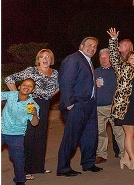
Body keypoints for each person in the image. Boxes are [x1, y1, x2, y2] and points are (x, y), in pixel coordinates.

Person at [5, 48, 59, 177]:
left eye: (48, 57)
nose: (45, 59)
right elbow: (9, 79)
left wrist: (50, 96)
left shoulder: (55, 73)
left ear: (51, 60)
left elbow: (60, 86)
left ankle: (38, 167)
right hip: (30, 104)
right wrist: (17, 96)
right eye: (42, 57)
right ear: (38, 59)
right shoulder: (31, 71)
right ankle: (23, 170)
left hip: (45, 106)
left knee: (40, 136)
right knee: (28, 136)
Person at [106, 29, 134, 172]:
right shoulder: (122, 68)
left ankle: (125, 158)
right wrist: (113, 40)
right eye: (130, 59)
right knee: (129, 133)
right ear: (127, 60)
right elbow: (113, 56)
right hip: (125, 106)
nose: (133, 61)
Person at [57, 36, 101, 177]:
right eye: (89, 45)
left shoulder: (88, 61)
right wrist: (69, 103)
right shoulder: (73, 59)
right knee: (71, 137)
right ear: (81, 46)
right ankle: (63, 168)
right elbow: (66, 82)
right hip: (77, 105)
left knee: (90, 136)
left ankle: (88, 163)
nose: (92, 48)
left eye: (95, 46)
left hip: (89, 104)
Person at [2, 79, 40, 185]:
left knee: (18, 157)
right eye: (24, 85)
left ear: (33, 90)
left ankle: (19, 181)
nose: (26, 87)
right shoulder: (11, 95)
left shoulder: (32, 105)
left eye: (30, 86)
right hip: (1, 129)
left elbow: (34, 123)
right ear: (19, 87)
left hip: (16, 134)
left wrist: (34, 114)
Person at [92, 48, 120, 165]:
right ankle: (101, 154)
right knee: (100, 132)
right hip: (98, 108)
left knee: (119, 132)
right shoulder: (95, 72)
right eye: (101, 57)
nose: (103, 60)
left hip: (113, 107)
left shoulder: (117, 71)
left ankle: (124, 153)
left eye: (106, 57)